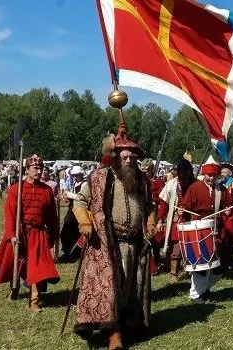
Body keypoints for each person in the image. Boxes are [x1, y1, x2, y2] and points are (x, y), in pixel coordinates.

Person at [72, 120, 156, 349]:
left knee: (132, 287)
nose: (128, 160)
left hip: (135, 243)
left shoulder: (141, 180)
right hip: (108, 244)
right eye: (124, 156)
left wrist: (150, 220)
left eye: (132, 157)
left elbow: (150, 205)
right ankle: (113, 334)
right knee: (112, 289)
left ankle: (129, 325)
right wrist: (85, 222)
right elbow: (80, 201)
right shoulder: (101, 177)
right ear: (115, 156)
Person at [0, 154, 60, 312]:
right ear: (26, 169)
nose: (39, 171)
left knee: (36, 266)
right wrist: (12, 235)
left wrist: (54, 235)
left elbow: (51, 217)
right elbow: (10, 214)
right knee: (16, 262)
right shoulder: (16, 189)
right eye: (35, 168)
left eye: (40, 168)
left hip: (38, 233)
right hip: (20, 230)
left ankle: (34, 300)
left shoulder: (47, 191)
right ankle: (14, 288)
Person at [179, 155, 221, 303]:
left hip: (216, 231)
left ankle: (204, 290)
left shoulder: (220, 189)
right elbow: (185, 207)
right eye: (209, 175)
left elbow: (227, 204)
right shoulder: (195, 188)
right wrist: (182, 211)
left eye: (214, 175)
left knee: (217, 268)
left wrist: (230, 206)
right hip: (199, 231)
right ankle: (196, 295)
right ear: (204, 174)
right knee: (201, 266)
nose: (211, 178)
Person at [157, 158, 196, 282]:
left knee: (191, 247)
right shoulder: (171, 184)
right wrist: (159, 220)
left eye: (187, 172)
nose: (184, 175)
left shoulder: (196, 184)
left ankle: (188, 269)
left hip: (192, 219)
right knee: (177, 248)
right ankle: (173, 273)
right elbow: (164, 203)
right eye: (182, 172)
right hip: (176, 220)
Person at [59, 165, 86, 259]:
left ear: (81, 174)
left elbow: (81, 197)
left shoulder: (85, 184)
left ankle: (74, 253)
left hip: (80, 210)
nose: (75, 177)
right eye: (74, 175)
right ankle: (66, 250)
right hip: (72, 210)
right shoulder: (75, 184)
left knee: (77, 232)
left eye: (77, 175)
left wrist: (69, 194)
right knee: (66, 230)